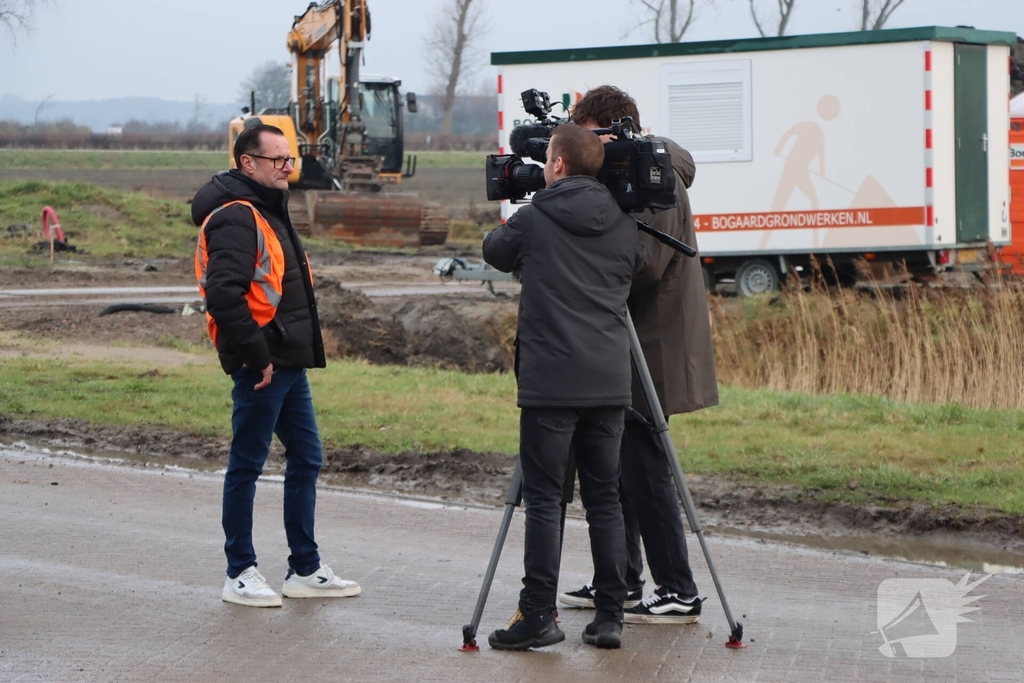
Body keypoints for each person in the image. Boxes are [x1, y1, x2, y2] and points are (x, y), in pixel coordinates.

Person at [558, 85, 719, 625]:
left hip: (652, 340)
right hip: (622, 341)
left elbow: (645, 263)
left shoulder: (656, 173)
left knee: (647, 468)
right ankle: (620, 579)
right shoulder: (629, 168)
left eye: (587, 136)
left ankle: (677, 587)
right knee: (611, 465)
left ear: (608, 130)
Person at [483, 123, 644, 651]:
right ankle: (610, 617)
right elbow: (635, 272)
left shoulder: (534, 218)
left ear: (556, 165)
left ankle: (537, 615)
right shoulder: (625, 225)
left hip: (552, 383)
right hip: (609, 382)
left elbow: (494, 250)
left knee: (547, 501)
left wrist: (527, 207)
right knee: (605, 501)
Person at [192, 123, 360, 607]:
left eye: (290, 159)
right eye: (278, 160)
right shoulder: (236, 218)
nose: (289, 166)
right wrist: (255, 355)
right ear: (248, 163)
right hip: (262, 364)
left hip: (289, 362)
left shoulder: (269, 208)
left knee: (307, 457)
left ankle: (304, 568)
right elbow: (224, 295)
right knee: (247, 464)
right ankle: (239, 571)